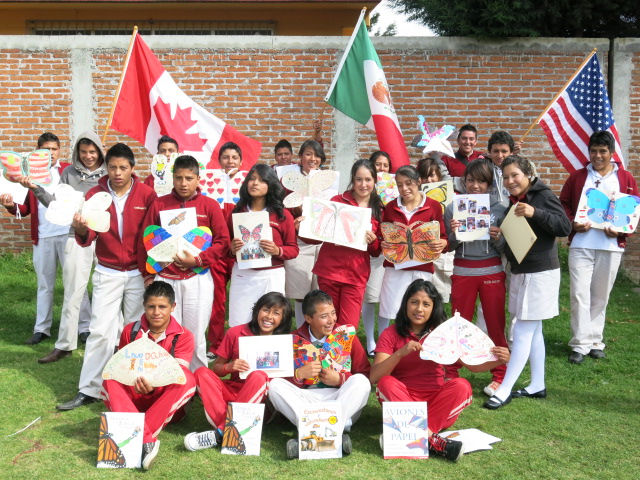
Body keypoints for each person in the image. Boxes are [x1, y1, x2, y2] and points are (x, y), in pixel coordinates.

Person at [56, 143, 157, 410]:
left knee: (137, 331)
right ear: (106, 167)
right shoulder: (95, 194)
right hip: (108, 271)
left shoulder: (147, 195)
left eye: (123, 167)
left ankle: (134, 386)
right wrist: (80, 228)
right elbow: (89, 236)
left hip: (138, 273)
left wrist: (149, 272)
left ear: (133, 168)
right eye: (112, 167)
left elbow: (153, 236)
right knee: (100, 331)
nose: (117, 172)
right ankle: (89, 388)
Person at [371, 279, 510, 461]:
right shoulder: (391, 333)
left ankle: (411, 435)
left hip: (437, 406)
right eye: (414, 302)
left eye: (426, 304)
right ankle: (433, 440)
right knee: (386, 383)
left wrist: (497, 360)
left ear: (434, 307)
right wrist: (400, 354)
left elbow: (472, 366)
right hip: (403, 401)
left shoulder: (443, 333)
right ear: (405, 304)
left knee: (461, 385)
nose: (419, 309)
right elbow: (374, 376)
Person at [483, 155, 571, 410]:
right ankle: (537, 384)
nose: (510, 181)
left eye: (515, 176)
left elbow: (564, 226)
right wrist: (502, 237)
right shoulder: (514, 202)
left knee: (522, 328)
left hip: (541, 273)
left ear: (527, 174)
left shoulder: (542, 195)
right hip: (522, 271)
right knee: (533, 331)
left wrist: (536, 212)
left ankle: (505, 388)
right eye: (506, 177)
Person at [144, 155, 230, 371]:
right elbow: (145, 240)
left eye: (189, 178)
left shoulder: (209, 206)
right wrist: (147, 274)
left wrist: (197, 260)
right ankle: (165, 378)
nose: (184, 183)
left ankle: (198, 381)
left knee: (195, 333)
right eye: (179, 178)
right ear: (172, 178)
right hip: (166, 278)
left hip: (197, 278)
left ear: (198, 179)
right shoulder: (159, 204)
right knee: (166, 332)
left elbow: (223, 242)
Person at [560, 131, 639, 364]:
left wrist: (621, 231)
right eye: (593, 151)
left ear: (611, 153)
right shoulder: (577, 178)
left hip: (610, 245)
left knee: (600, 296)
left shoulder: (625, 178)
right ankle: (579, 344)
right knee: (578, 293)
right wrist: (573, 222)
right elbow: (564, 203)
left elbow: (632, 209)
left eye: (602, 151)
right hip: (581, 244)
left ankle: (595, 341)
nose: (597, 155)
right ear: (589, 152)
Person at [101, 281, 196, 470]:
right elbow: (123, 367)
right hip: (134, 397)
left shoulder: (184, 336)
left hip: (164, 401)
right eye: (151, 307)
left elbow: (175, 375)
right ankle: (146, 440)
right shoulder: (131, 330)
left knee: (187, 377)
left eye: (162, 307)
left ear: (173, 307)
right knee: (110, 378)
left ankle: (133, 435)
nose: (156, 312)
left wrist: (153, 387)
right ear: (144, 306)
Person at [31, 131, 106, 364]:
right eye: (83, 152)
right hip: (75, 236)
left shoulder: (109, 174)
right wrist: (37, 190)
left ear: (100, 152)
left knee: (106, 290)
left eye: (93, 151)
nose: (88, 156)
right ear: (76, 152)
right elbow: (57, 205)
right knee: (73, 292)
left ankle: (110, 340)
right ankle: (64, 344)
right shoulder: (68, 173)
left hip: (104, 238)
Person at [268, 290, 371, 457]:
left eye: (333, 313)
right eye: (324, 316)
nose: (331, 320)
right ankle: (334, 436)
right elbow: (276, 376)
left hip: (340, 399)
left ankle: (311, 436)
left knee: (361, 382)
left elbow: (366, 375)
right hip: (305, 401)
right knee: (274, 385)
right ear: (308, 319)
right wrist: (298, 375)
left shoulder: (346, 337)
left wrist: (340, 379)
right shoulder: (292, 339)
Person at [184, 292, 292, 451]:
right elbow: (217, 368)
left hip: (261, 401)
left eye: (276, 313)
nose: (269, 316)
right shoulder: (235, 332)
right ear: (257, 311)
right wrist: (229, 367)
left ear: (282, 319)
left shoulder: (286, 341)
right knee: (201, 372)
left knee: (259, 376)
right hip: (231, 392)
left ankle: (220, 433)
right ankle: (228, 429)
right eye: (266, 310)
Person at [0, 133, 72, 345]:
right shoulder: (26, 175)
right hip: (43, 236)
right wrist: (9, 204)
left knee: (73, 284)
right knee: (44, 285)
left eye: (54, 149)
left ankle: (83, 326)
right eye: (45, 149)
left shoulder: (68, 169)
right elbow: (24, 209)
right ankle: (42, 328)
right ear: (37, 152)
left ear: (60, 150)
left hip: (68, 234)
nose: (50, 153)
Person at [444, 160, 508, 396]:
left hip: (491, 271)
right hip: (462, 271)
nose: (476, 186)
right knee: (458, 325)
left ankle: (500, 375)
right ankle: (451, 372)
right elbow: (448, 246)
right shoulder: (453, 208)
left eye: (481, 181)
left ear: (490, 184)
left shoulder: (500, 209)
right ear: (464, 181)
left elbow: (505, 248)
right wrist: (453, 232)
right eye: (471, 180)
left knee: (495, 324)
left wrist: (498, 238)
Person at [312, 159, 381, 329]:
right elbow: (320, 232)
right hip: (330, 271)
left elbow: (377, 251)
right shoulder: (337, 201)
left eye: (368, 180)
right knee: (326, 323)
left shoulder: (379, 209)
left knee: (348, 328)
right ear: (352, 180)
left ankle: (344, 356)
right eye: (358, 179)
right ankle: (324, 355)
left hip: (355, 275)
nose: (363, 184)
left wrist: (373, 241)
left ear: (374, 181)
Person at [227, 164, 299, 326]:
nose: (255, 183)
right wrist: (232, 249)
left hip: (271, 275)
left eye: (261, 180)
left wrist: (277, 250)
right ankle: (239, 351)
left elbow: (293, 249)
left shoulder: (282, 215)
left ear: (271, 185)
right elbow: (225, 247)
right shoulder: (237, 213)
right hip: (243, 275)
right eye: (251, 179)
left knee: (270, 322)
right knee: (239, 322)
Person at [377, 165, 448, 329]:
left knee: (419, 309)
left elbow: (442, 236)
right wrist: (384, 243)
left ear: (419, 181)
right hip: (396, 267)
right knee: (389, 308)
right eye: (400, 184)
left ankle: (418, 343)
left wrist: (443, 243)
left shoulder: (433, 206)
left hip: (422, 267)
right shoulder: (390, 207)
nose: (404, 189)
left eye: (409, 183)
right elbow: (384, 234)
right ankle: (385, 344)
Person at [207, 142, 246, 360]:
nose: (230, 161)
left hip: (241, 250)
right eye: (225, 157)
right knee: (217, 299)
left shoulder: (248, 184)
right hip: (218, 251)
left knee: (241, 299)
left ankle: (241, 343)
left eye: (234, 157)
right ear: (219, 160)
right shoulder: (208, 183)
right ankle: (216, 344)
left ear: (241, 161)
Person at [284, 140, 327, 326]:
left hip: (322, 243)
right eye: (308, 154)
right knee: (301, 293)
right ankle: (301, 332)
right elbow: (282, 207)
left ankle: (316, 331)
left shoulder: (327, 181)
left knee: (319, 293)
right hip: (300, 243)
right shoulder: (289, 180)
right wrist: (293, 218)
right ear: (300, 157)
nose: (313, 158)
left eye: (317, 155)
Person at [362, 151, 392, 355]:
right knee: (370, 298)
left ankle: (384, 339)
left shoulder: (395, 193)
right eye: (378, 165)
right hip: (370, 254)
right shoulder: (366, 196)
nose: (382, 169)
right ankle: (370, 340)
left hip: (389, 253)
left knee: (386, 298)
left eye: (386, 165)